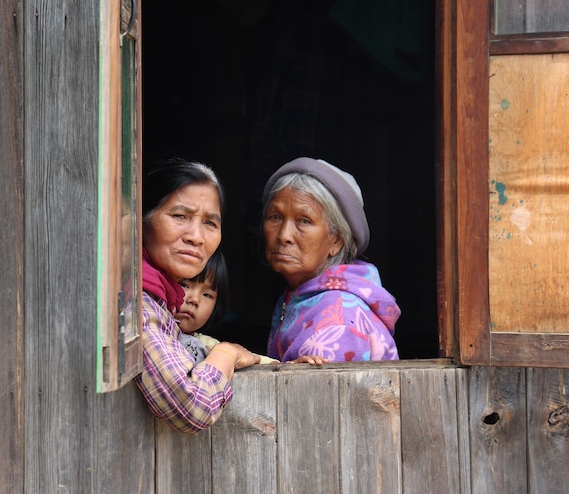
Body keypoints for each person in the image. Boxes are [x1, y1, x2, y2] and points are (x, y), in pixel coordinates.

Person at [135, 158, 261, 433]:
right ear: (142, 221)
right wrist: (226, 353)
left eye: (210, 223)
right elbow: (192, 405)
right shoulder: (136, 305)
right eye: (180, 216)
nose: (196, 236)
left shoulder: (161, 301)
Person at [262, 157, 401, 362]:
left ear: (336, 241)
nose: (284, 235)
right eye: (275, 216)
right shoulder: (302, 296)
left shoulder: (339, 315)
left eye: (304, 221)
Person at [176, 249, 280, 366]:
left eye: (207, 295)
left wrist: (286, 366)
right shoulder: (153, 334)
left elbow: (253, 359)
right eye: (184, 285)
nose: (194, 299)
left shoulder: (212, 347)